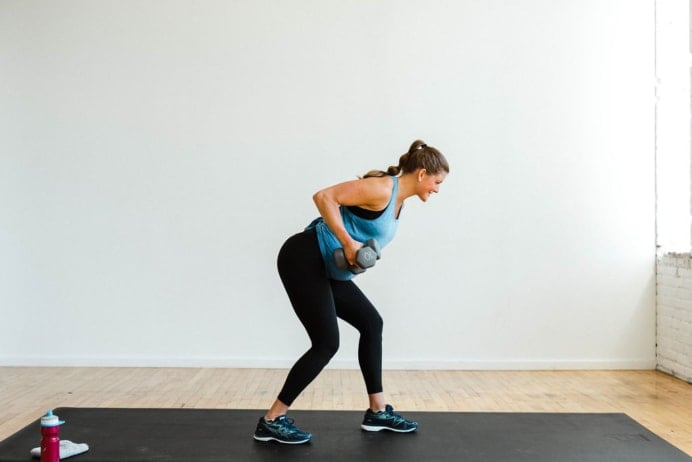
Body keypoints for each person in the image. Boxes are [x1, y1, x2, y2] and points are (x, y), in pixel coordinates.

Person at [253, 139, 450, 444]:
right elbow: (324, 197)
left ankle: (377, 411)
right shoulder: (383, 188)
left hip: (327, 268)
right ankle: (272, 419)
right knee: (326, 343)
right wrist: (347, 242)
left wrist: (356, 257)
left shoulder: (399, 202)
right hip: (304, 257)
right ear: (423, 173)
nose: (437, 190)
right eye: (437, 182)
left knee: (372, 324)